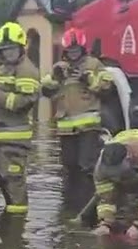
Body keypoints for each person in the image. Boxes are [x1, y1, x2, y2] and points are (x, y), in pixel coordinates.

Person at [0, 21, 40, 219]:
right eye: (4, 51)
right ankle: (9, 224)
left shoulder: (27, 70)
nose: (8, 54)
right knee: (4, 179)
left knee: (14, 179)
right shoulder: (2, 70)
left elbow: (25, 102)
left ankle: (16, 228)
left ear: (21, 48)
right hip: (0, 136)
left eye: (11, 50)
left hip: (15, 137)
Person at [42, 27, 113, 175]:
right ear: (65, 51)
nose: (73, 53)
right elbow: (46, 90)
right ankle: (71, 196)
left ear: (82, 48)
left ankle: (86, 194)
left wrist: (88, 79)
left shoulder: (94, 64)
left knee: (86, 165)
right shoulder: (60, 67)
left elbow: (107, 88)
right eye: (70, 50)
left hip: (88, 126)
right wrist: (56, 78)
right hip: (66, 127)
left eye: (76, 50)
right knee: (69, 166)